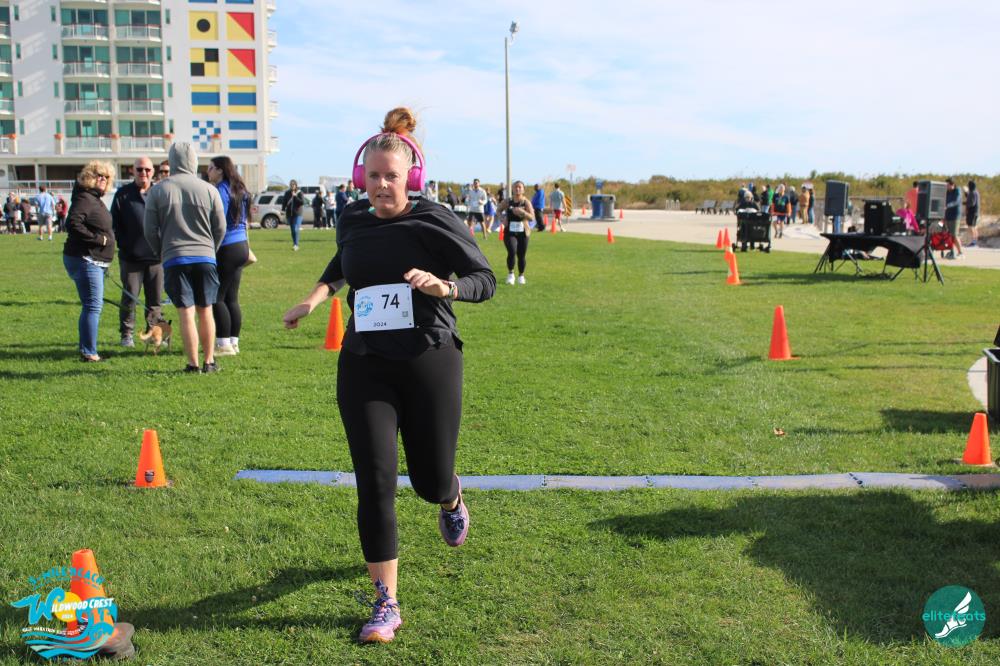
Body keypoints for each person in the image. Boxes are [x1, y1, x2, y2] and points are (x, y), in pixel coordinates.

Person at [282, 107, 495, 644]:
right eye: (373, 176)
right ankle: (386, 602)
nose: (381, 185)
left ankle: (450, 496)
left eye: (391, 176)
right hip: (365, 362)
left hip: (429, 358)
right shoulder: (352, 218)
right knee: (375, 481)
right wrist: (314, 298)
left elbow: (484, 278)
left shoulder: (436, 220)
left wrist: (445, 288)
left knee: (427, 480)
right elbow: (343, 263)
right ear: (361, 176)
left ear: (411, 177)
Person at [143, 142, 226, 373]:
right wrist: (211, 249)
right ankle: (209, 361)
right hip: (205, 256)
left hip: (175, 258)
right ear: (194, 161)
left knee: (186, 312)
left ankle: (192, 364)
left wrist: (161, 252)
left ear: (171, 160)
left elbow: (149, 229)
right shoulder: (209, 190)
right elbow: (220, 227)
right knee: (206, 310)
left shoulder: (158, 190)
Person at [63, 160, 116, 362]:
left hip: (94, 260)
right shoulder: (85, 198)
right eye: (98, 175)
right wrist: (98, 240)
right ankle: (88, 352)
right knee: (93, 306)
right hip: (86, 259)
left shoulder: (93, 198)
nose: (102, 179)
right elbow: (73, 223)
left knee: (93, 305)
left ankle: (88, 349)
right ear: (88, 177)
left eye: (106, 177)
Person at [111, 156, 163, 348]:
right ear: (133, 171)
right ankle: (127, 335)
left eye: (147, 170)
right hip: (131, 259)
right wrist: (124, 244)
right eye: (139, 169)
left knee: (155, 301)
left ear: (153, 172)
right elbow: (114, 224)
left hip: (156, 258)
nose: (143, 173)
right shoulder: (123, 195)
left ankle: (154, 334)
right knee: (130, 299)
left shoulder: (159, 193)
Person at [207, 155, 251, 357]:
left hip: (227, 246)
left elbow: (219, 222)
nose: (208, 172)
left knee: (217, 297)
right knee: (232, 297)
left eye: (211, 168)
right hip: (242, 245)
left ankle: (223, 344)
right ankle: (234, 342)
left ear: (220, 170)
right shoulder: (240, 189)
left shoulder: (220, 190)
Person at [498, 180, 534, 285]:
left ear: (523, 190)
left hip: (523, 232)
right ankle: (511, 274)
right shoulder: (507, 201)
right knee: (512, 251)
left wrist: (523, 212)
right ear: (512, 189)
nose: (517, 189)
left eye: (519, 187)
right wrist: (502, 219)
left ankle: (521, 276)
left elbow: (532, 217)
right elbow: (498, 210)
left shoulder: (526, 202)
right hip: (510, 231)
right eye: (515, 187)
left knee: (521, 255)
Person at [281, 180, 306, 250]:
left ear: (296, 185)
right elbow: (284, 202)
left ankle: (296, 245)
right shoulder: (287, 193)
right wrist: (283, 209)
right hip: (289, 214)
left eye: (293, 184)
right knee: (292, 230)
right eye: (291, 184)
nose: (292, 186)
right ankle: (294, 243)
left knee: (295, 229)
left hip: (298, 214)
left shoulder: (300, 192)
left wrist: (295, 196)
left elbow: (302, 202)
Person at [943, 178, 963, 259]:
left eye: (948, 185)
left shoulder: (957, 191)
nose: (947, 187)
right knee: (949, 235)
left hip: (955, 216)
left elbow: (956, 201)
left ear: (953, 185)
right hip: (947, 216)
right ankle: (952, 252)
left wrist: (947, 206)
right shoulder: (947, 192)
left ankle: (960, 252)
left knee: (954, 235)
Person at [966, 180, 980, 247]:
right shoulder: (975, 192)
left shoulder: (973, 193)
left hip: (972, 212)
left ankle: (974, 242)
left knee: (971, 227)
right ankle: (975, 241)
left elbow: (972, 203)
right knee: (974, 227)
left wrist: (965, 203)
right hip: (975, 212)